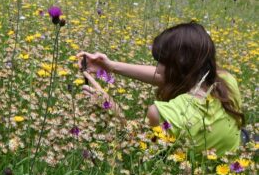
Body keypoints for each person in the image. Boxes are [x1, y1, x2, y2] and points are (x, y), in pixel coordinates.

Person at [77, 22, 244, 156]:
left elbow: (136, 145)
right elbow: (170, 77)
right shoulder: (227, 81)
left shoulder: (164, 114)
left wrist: (111, 106)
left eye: (162, 62)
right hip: (236, 152)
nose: (157, 68)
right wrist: (111, 66)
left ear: (176, 68)